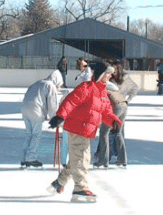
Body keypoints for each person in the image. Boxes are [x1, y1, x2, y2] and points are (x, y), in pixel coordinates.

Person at [46, 61, 122, 203]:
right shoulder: (87, 87)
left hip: (86, 130)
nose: (110, 76)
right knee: (82, 160)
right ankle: (80, 188)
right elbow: (71, 101)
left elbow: (106, 111)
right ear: (100, 74)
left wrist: (114, 122)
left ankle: (59, 182)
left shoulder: (102, 92)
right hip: (77, 129)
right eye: (108, 73)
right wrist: (60, 116)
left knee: (77, 159)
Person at [94, 61, 138, 168]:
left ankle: (103, 160)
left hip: (115, 106)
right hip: (122, 105)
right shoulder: (112, 81)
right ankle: (122, 159)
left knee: (104, 132)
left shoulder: (108, 81)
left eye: (114, 70)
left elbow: (134, 88)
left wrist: (129, 99)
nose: (111, 74)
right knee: (117, 133)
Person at [20, 70, 63, 168]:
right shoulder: (50, 86)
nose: (58, 88)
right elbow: (52, 105)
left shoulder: (38, 82)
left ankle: (23, 158)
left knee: (29, 134)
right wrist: (55, 119)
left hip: (25, 108)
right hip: (36, 111)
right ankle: (30, 158)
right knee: (36, 134)